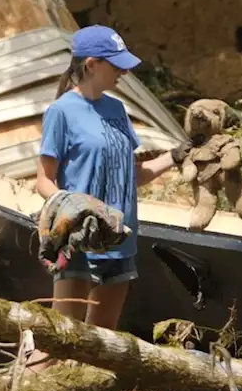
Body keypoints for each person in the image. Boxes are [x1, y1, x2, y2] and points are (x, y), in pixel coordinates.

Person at [33, 25, 189, 336]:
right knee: (61, 338)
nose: (123, 73)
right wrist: (74, 206)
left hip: (121, 240)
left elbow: (131, 176)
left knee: (103, 342)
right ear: (91, 65)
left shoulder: (117, 110)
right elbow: (43, 181)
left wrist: (175, 156)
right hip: (81, 241)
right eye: (116, 66)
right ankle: (33, 382)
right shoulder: (62, 112)